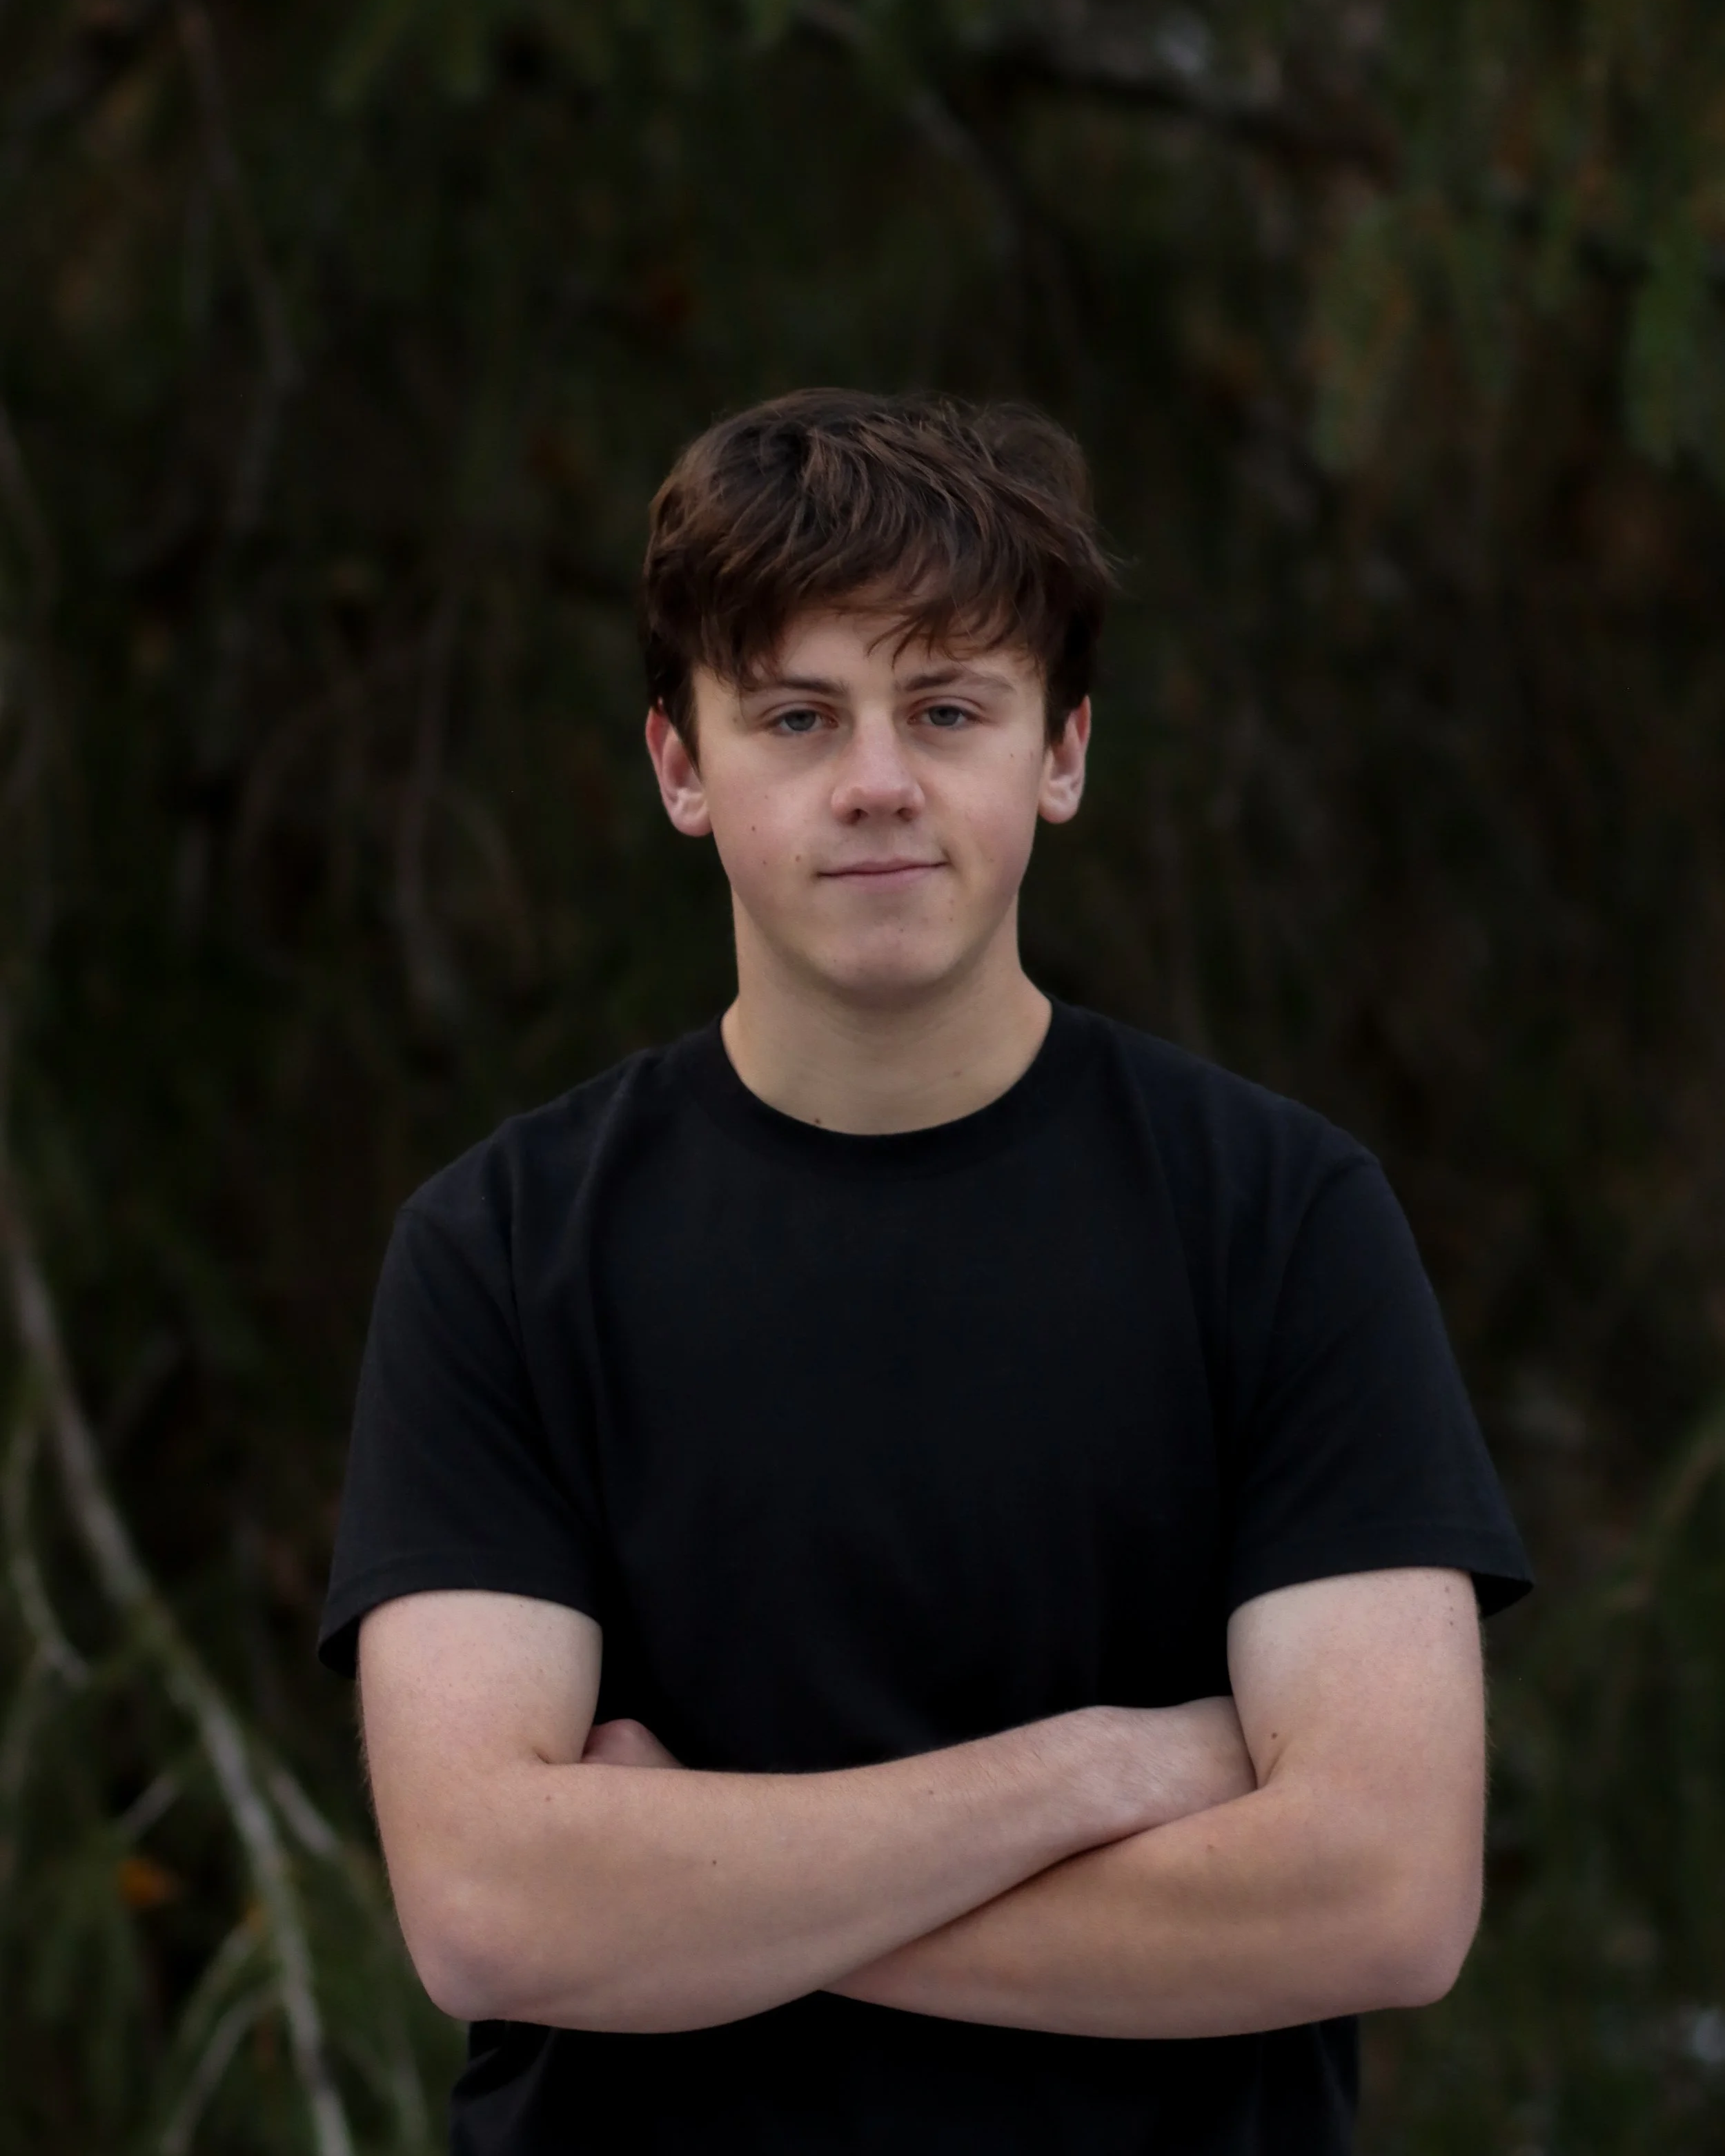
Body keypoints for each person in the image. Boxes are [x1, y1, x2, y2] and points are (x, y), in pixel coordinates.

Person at [319, 388, 1532, 2155]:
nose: (875, 779)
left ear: (1060, 752)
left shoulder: (1279, 1218)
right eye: (796, 714)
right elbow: (491, 1909)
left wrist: (706, 1904)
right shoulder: (499, 1252)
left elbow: (1385, 1892)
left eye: (946, 707)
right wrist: (1101, 1766)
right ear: (679, 765)